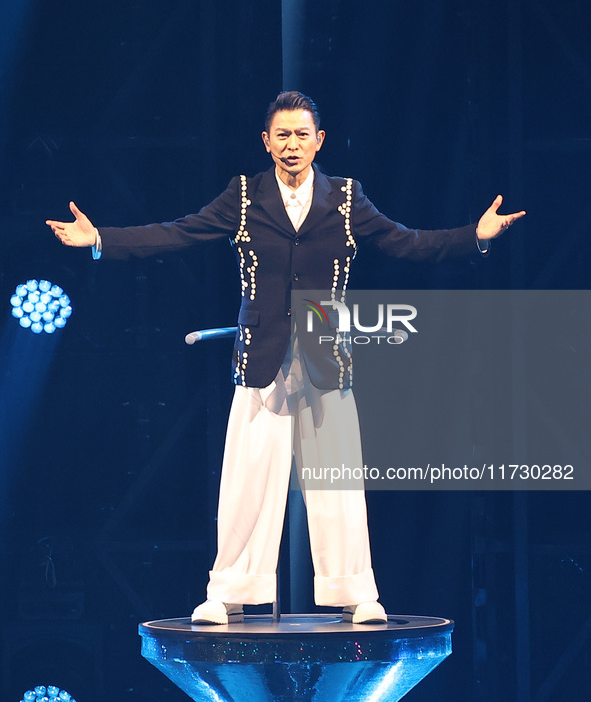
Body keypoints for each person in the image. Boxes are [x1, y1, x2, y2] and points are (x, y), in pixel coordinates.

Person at [47, 91, 525, 625]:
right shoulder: (244, 196)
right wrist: (101, 240)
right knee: (248, 477)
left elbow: (406, 242)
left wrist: (474, 237)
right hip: (261, 356)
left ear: (319, 141)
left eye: (302, 134)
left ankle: (355, 592)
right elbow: (178, 232)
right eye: (283, 134)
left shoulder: (346, 197)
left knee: (337, 480)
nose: (292, 144)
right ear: (266, 141)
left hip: (327, 355)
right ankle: (227, 592)